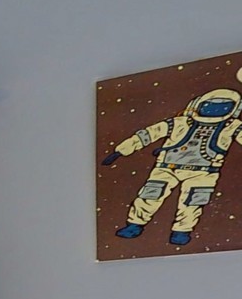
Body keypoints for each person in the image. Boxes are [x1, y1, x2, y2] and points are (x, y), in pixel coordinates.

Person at [102, 87, 242, 245]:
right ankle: (135, 224)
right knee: (149, 196)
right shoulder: (179, 122)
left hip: (203, 172)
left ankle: (181, 231)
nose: (214, 110)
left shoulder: (232, 127)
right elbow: (149, 133)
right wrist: (122, 150)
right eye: (209, 106)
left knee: (192, 203)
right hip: (167, 168)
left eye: (222, 107)